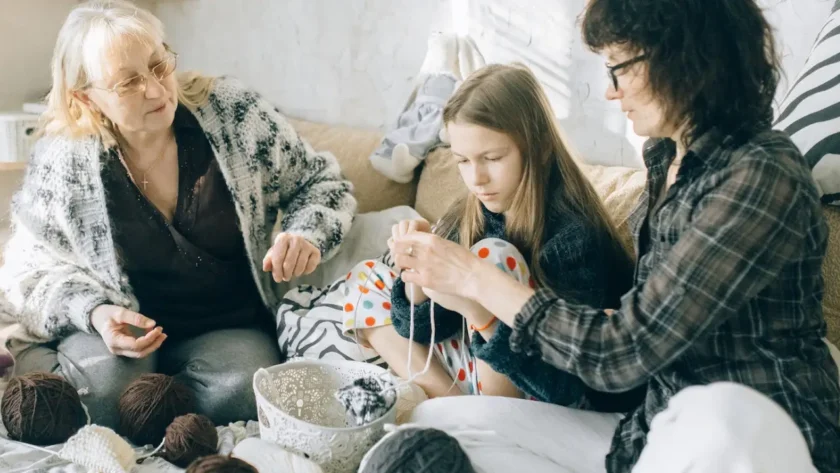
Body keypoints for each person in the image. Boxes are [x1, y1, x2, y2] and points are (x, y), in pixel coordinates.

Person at [368, 0, 840, 472]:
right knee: (438, 420)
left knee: (724, 413)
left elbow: (623, 352)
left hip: (745, 437)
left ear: (682, 58)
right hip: (652, 426)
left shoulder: (760, 176)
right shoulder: (665, 159)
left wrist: (474, 280)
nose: (611, 92)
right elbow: (639, 324)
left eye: (617, 67)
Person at [0, 0, 355, 429]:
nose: (155, 89)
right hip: (124, 335)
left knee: (245, 391)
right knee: (109, 397)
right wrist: (95, 312)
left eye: (158, 64)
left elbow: (321, 184)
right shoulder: (64, 160)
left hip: (224, 324)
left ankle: (152, 397)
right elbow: (27, 273)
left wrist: (306, 233)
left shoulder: (232, 113)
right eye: (128, 82)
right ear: (86, 99)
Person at [341, 63, 640, 411]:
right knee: (367, 279)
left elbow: (569, 384)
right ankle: (450, 403)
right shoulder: (473, 210)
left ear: (540, 148)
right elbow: (420, 331)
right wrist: (415, 275)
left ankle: (484, 415)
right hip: (474, 368)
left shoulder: (574, 236)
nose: (476, 179)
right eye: (463, 161)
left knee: (493, 256)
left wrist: (480, 311)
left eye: (492, 158)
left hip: (540, 390)